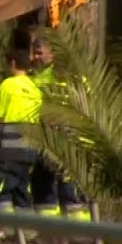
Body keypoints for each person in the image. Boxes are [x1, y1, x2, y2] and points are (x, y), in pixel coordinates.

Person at [29, 36, 90, 222]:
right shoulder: (39, 77)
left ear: (52, 53)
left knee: (64, 177)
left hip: (63, 134)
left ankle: (70, 219)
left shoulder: (56, 78)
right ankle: (55, 219)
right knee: (49, 177)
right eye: (34, 53)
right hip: (50, 133)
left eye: (39, 53)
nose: (34, 57)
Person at [0, 48, 41, 213]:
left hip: (8, 150)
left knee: (1, 189)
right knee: (22, 188)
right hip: (29, 149)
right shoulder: (35, 88)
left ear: (13, 63)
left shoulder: (8, 85)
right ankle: (25, 223)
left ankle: (0, 221)